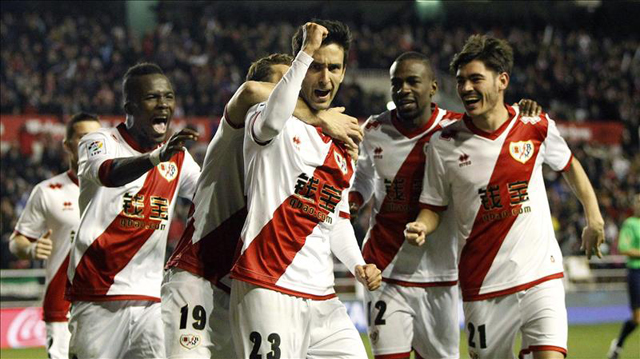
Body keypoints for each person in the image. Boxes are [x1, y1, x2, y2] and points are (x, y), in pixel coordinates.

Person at [405, 34, 604, 359]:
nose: (466, 88)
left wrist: (593, 216)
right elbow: (432, 206)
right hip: (483, 284)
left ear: (502, 81)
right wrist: (421, 226)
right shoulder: (444, 144)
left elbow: (570, 166)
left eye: (475, 79)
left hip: (541, 276)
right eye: (461, 81)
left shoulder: (534, 125)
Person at [162, 53, 362, 359]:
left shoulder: (290, 147)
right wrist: (319, 115)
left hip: (245, 288)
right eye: (284, 84)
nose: (293, 92)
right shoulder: (241, 125)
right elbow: (252, 93)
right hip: (198, 278)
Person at [350, 51, 542, 359]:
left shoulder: (456, 131)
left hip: (440, 274)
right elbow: (361, 178)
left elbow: (499, 129)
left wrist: (523, 111)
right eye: (396, 83)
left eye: (413, 81)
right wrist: (352, 201)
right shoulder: (373, 130)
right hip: (383, 270)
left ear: (433, 87)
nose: (403, 89)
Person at [229, 20, 382, 358]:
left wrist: (358, 263)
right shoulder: (268, 117)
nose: (324, 77)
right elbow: (272, 117)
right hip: (268, 286)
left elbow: (336, 221)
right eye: (315, 66)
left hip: (323, 297)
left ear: (344, 73)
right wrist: (305, 52)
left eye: (334, 68)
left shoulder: (341, 144)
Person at [66, 63, 201, 359]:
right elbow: (108, 174)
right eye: (153, 97)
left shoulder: (178, 158)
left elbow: (211, 196)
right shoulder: (99, 141)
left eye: (168, 96)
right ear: (130, 106)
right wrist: (156, 158)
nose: (163, 104)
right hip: (97, 295)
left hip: (150, 300)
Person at [9, 113, 101, 359]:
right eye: (83, 137)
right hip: (62, 307)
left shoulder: (121, 190)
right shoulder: (48, 191)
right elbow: (17, 241)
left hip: (109, 306)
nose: (91, 143)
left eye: (97, 137)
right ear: (67, 144)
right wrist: (30, 249)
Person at [608, 194, 640, 359]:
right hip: (636, 272)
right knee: (637, 318)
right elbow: (623, 248)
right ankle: (618, 344)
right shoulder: (630, 224)